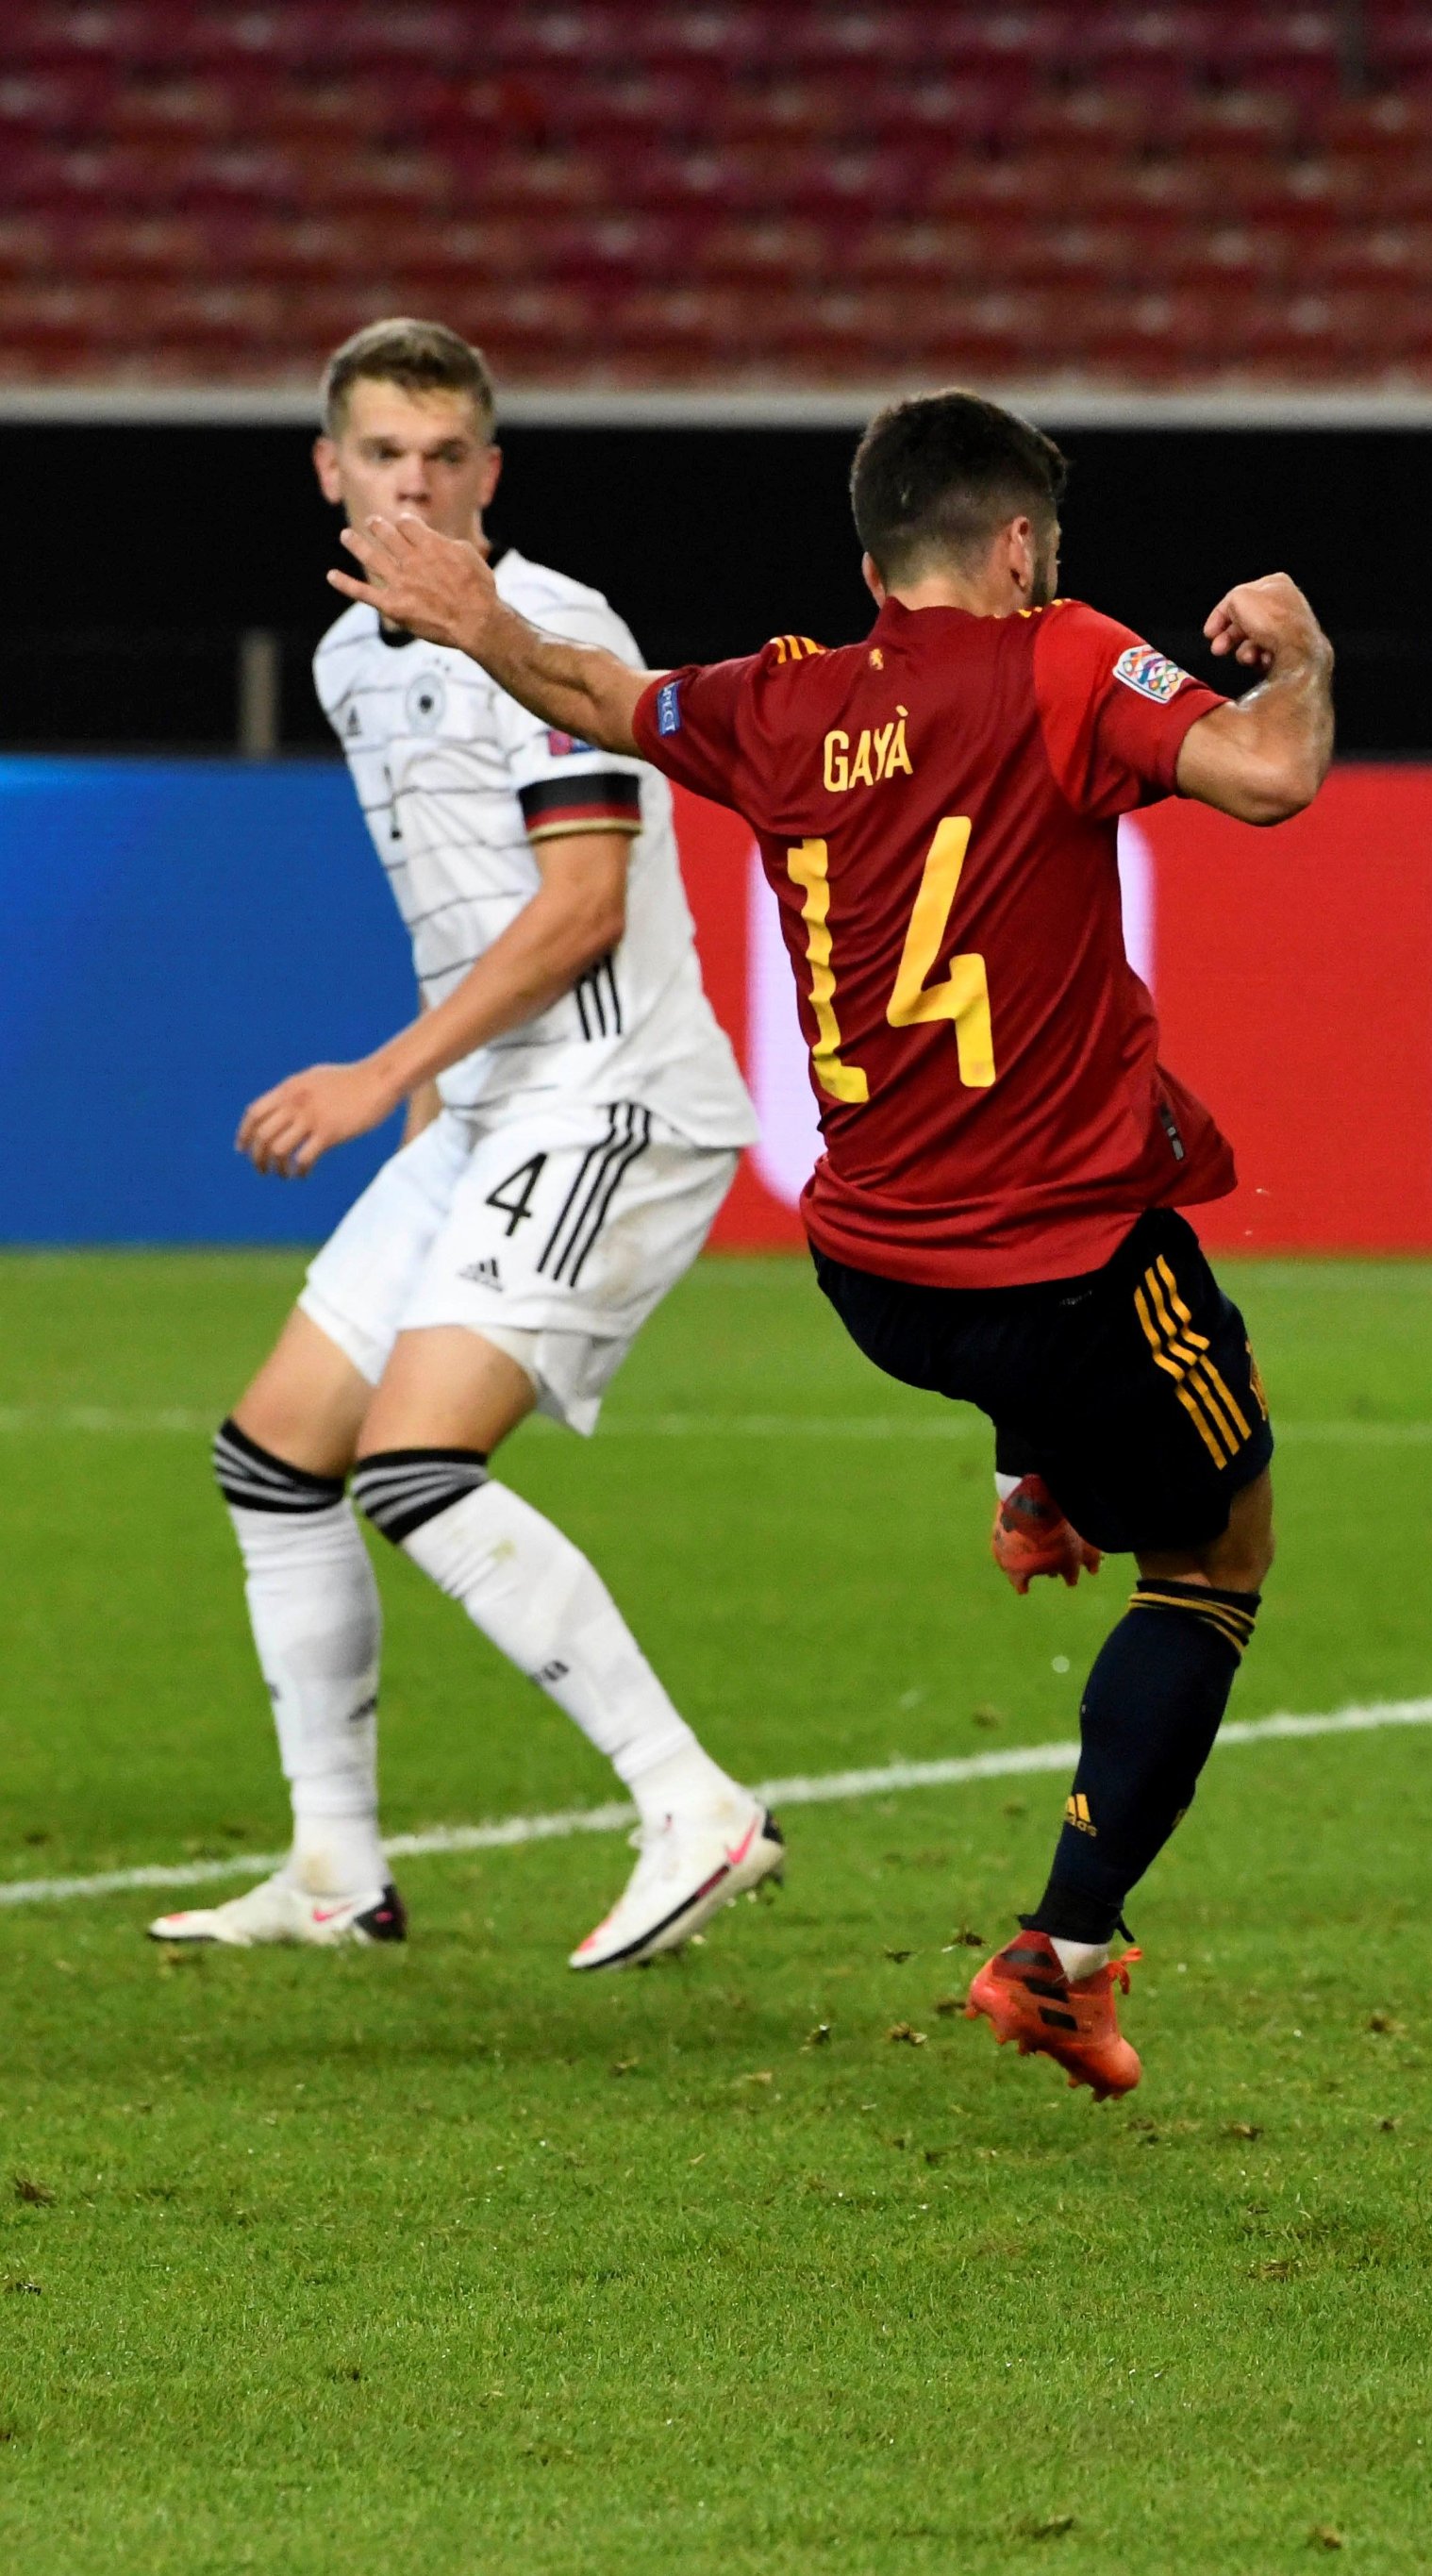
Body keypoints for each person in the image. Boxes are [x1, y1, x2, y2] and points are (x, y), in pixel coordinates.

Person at [322, 388, 1336, 2099]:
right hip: (1059, 1262)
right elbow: (1271, 777)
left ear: (875, 555)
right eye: (1049, 550)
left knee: (1057, 1294)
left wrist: (475, 611)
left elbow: (595, 694)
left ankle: (1038, 1478)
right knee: (1216, 1557)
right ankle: (1063, 1958)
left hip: (872, 1266)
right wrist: (1297, 651)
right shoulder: (1062, 655)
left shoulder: (783, 699)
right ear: (1018, 547)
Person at [158, 317, 783, 1970]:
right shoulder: (353, 652)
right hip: (489, 1101)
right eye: (385, 454)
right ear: (332, 472)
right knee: (276, 1451)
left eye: (447, 455)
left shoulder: (548, 626)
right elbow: (466, 897)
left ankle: (691, 1805)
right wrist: (439, 1086)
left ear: (491, 474)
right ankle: (334, 1872)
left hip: (612, 1093)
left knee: (416, 1466)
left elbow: (582, 911)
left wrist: (384, 1070)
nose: (417, 481)